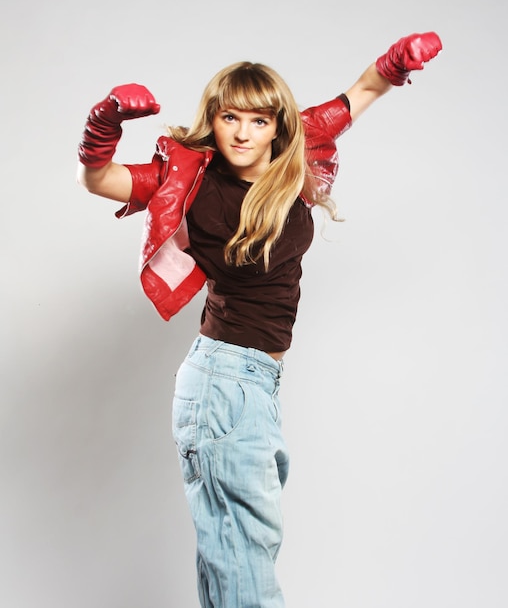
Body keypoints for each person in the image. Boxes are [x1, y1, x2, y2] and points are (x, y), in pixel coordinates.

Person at [77, 31, 442, 608]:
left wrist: (394, 64)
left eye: (258, 120)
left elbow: (365, 89)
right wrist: (103, 128)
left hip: (254, 386)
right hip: (224, 384)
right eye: (229, 118)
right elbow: (100, 180)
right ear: (213, 121)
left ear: (277, 125)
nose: (243, 133)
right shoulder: (192, 184)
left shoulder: (292, 166)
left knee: (235, 559)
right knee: (244, 564)